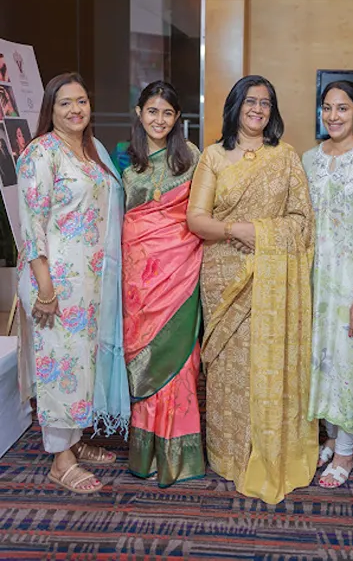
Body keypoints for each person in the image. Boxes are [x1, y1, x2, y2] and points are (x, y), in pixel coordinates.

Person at [187, 75, 318, 505]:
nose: (258, 109)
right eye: (250, 101)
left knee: (267, 362)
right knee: (228, 370)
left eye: (265, 103)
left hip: (272, 278)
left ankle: (267, 448)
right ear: (236, 106)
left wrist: (258, 233)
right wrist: (235, 230)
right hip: (224, 276)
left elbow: (302, 222)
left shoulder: (286, 157)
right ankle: (228, 454)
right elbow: (196, 219)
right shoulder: (213, 156)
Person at [16, 72, 130, 495]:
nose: (75, 109)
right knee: (58, 366)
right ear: (51, 109)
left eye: (81, 101)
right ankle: (60, 460)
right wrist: (45, 289)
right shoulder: (40, 153)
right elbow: (32, 227)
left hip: (91, 283)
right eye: (65, 103)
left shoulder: (89, 150)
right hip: (56, 282)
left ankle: (74, 439)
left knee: (82, 365)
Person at [121, 81, 204, 487]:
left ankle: (178, 456)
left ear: (177, 118)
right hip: (139, 282)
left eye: (167, 113)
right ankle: (147, 453)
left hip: (180, 274)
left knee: (181, 362)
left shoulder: (192, 157)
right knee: (143, 360)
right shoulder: (123, 159)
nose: (159, 120)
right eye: (152, 111)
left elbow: (203, 212)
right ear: (139, 113)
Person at [303, 81, 353, 488]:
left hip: (352, 276)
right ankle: (331, 437)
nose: (333, 116)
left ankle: (346, 452)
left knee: (347, 360)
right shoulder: (308, 158)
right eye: (327, 107)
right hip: (312, 276)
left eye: (342, 108)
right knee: (317, 359)